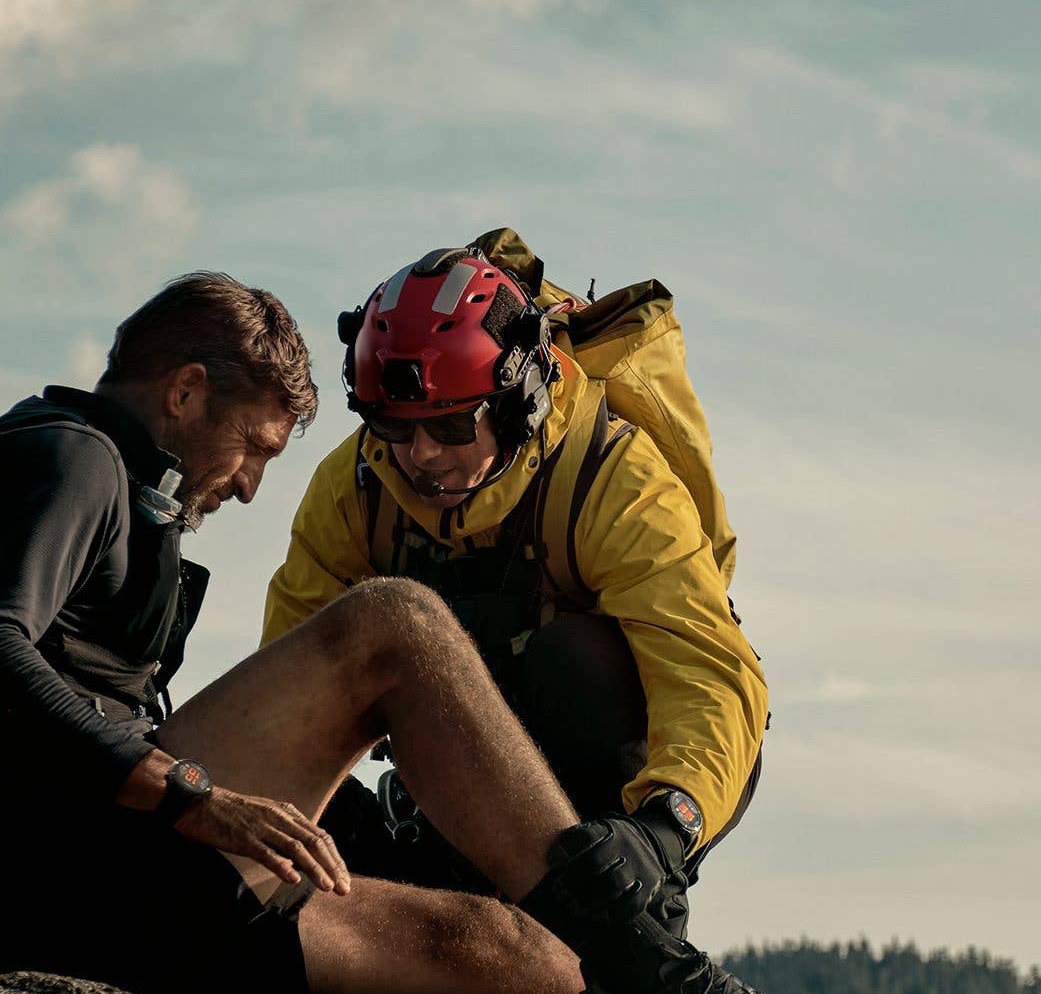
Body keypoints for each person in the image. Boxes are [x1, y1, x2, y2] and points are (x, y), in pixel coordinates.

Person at [0, 270, 863, 994]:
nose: (253, 483)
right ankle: (665, 974)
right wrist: (185, 795)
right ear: (183, 391)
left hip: (128, 908)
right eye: (253, 444)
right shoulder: (65, 459)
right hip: (81, 870)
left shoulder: (124, 489)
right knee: (396, 621)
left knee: (496, 946)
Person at [261, 241, 758, 939]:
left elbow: (706, 674)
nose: (422, 454)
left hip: (623, 771)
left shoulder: (618, 482)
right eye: (394, 427)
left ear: (519, 398)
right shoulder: (356, 486)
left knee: (575, 659)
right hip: (461, 756)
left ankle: (637, 933)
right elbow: (288, 674)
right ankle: (432, 858)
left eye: (452, 425)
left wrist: (664, 828)